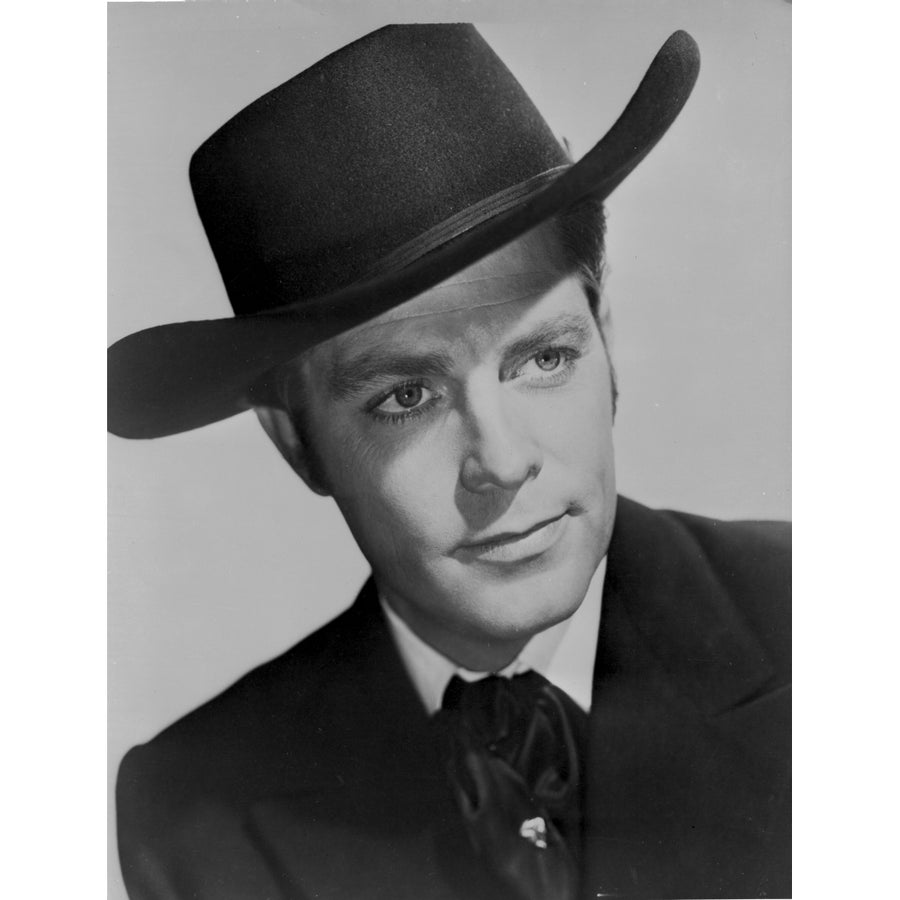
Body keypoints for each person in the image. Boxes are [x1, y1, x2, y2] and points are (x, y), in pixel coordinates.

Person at [110, 22, 790, 900]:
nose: (501, 462)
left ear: (608, 344)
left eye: (543, 358)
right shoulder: (193, 812)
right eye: (407, 398)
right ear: (295, 442)